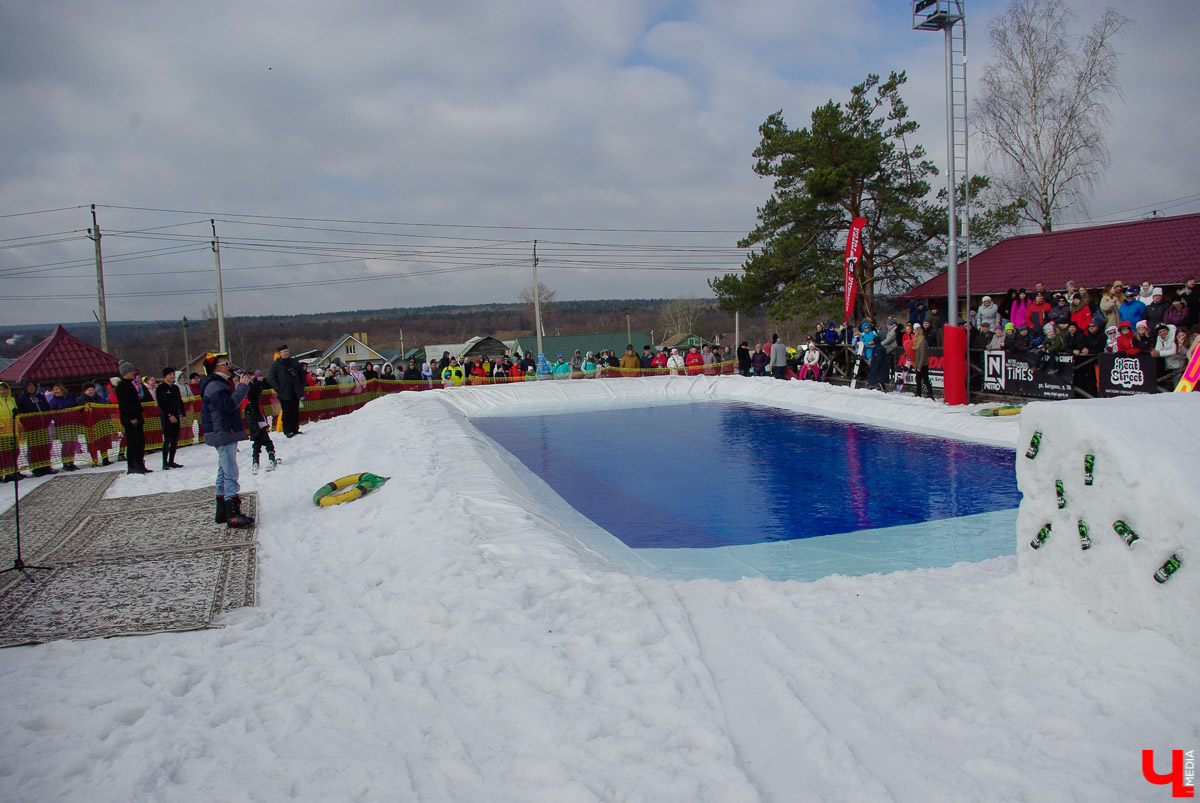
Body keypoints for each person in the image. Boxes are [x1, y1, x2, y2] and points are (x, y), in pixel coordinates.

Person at [201, 352, 254, 528]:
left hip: (223, 430)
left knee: (223, 470)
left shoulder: (219, 383)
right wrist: (242, 387)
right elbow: (228, 405)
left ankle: (222, 511)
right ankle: (232, 512)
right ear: (215, 368)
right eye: (225, 363)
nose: (229, 366)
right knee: (230, 471)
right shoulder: (215, 385)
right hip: (223, 431)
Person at [113, 361, 151, 474]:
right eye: (131, 372)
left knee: (140, 441)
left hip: (137, 416)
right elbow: (124, 404)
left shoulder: (130, 384)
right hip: (130, 418)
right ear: (125, 373)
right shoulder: (121, 386)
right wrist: (131, 417)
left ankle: (140, 463)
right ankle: (132, 465)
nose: (133, 374)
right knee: (132, 442)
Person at [266, 344, 306, 438]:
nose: (286, 353)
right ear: (279, 353)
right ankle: (287, 430)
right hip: (284, 392)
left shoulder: (294, 362)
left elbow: (301, 374)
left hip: (295, 390)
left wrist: (301, 385)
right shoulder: (275, 365)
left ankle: (295, 429)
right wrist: (278, 389)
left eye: (287, 351)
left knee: (295, 411)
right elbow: (271, 378)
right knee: (287, 411)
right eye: (284, 351)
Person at [245, 370, 278, 474]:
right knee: (267, 442)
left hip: (253, 425)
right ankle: (271, 459)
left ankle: (255, 462)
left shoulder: (248, 403)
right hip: (259, 423)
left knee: (257, 443)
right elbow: (257, 386)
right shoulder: (253, 402)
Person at [154, 367, 185, 470]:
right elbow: (161, 404)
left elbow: (179, 401)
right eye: (170, 374)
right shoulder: (161, 388)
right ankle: (165, 462)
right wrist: (169, 415)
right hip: (166, 416)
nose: (172, 376)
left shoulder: (175, 388)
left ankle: (171, 461)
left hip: (176, 414)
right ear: (165, 376)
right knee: (167, 439)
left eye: (173, 374)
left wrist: (183, 414)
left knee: (175, 438)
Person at [48, 383, 82, 471]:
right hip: (62, 425)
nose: (56, 391)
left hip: (73, 423)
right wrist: (59, 417)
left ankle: (71, 462)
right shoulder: (54, 401)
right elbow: (52, 413)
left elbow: (76, 407)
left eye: (57, 389)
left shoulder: (70, 397)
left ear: (62, 389)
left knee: (73, 443)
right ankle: (65, 462)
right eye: (54, 390)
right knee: (66, 443)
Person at [0, 382, 23, 482]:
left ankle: (12, 471)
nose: (4, 391)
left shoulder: (11, 400)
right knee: (3, 454)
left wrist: (19, 425)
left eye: (6, 389)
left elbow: (16, 414)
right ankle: (3, 473)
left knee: (14, 452)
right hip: (2, 433)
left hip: (13, 431)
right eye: (2, 389)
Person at [911, 325, 934, 398]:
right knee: (918, 379)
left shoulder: (923, 342)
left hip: (923, 364)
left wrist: (919, 366)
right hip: (918, 363)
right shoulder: (917, 342)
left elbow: (923, 355)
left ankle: (930, 392)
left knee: (925, 379)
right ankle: (918, 392)